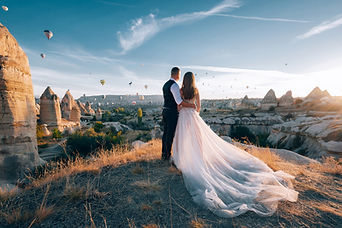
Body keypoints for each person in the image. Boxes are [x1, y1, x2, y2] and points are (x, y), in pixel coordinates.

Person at [172, 71, 298, 218]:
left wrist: (185, 107)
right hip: (194, 118)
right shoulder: (196, 90)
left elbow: (179, 107)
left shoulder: (181, 91)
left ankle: (184, 161)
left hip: (183, 119)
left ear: (184, 80)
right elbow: (198, 108)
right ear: (193, 80)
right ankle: (200, 160)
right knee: (198, 141)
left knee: (184, 140)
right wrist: (192, 107)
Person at [161, 67, 196, 161]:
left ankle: (164, 154)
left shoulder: (165, 85)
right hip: (172, 112)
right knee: (170, 134)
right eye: (179, 74)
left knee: (165, 133)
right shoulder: (175, 85)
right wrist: (191, 105)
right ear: (177, 74)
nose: (180, 76)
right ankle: (167, 155)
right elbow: (179, 102)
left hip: (165, 111)